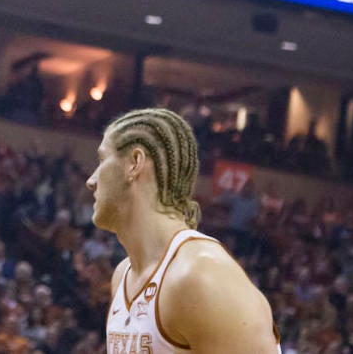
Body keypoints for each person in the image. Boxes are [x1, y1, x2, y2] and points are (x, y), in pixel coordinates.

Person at [85, 108, 280, 353]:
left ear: (135, 163)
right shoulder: (122, 275)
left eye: (102, 160)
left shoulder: (202, 276)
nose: (91, 180)